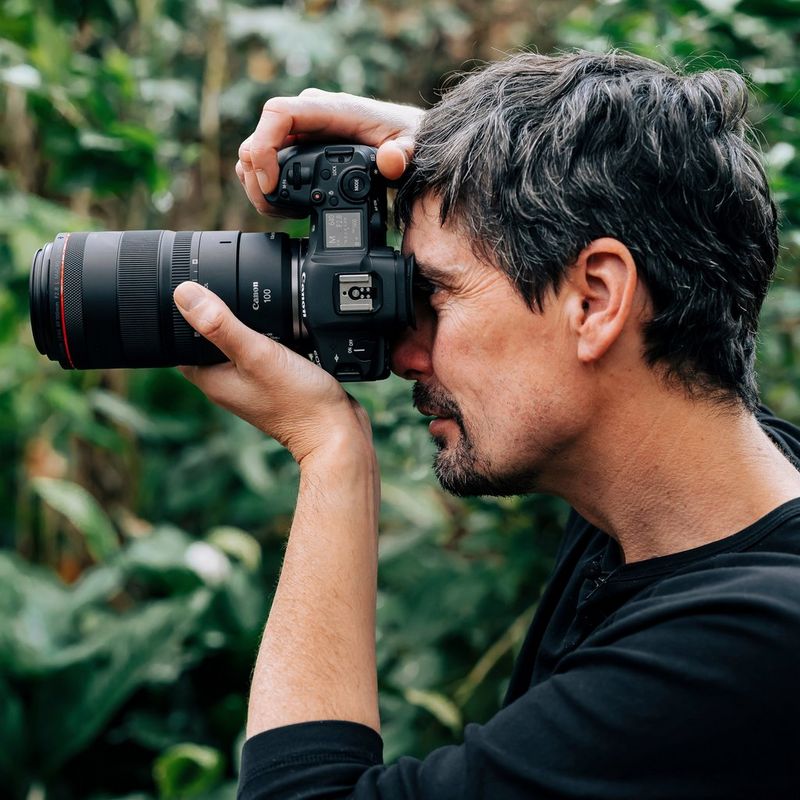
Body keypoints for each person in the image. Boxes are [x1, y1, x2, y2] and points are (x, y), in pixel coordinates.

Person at [172, 51, 800, 799]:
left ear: (596, 300)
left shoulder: (743, 652)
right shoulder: (705, 511)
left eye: (434, 294)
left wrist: (330, 451)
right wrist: (464, 158)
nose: (405, 352)